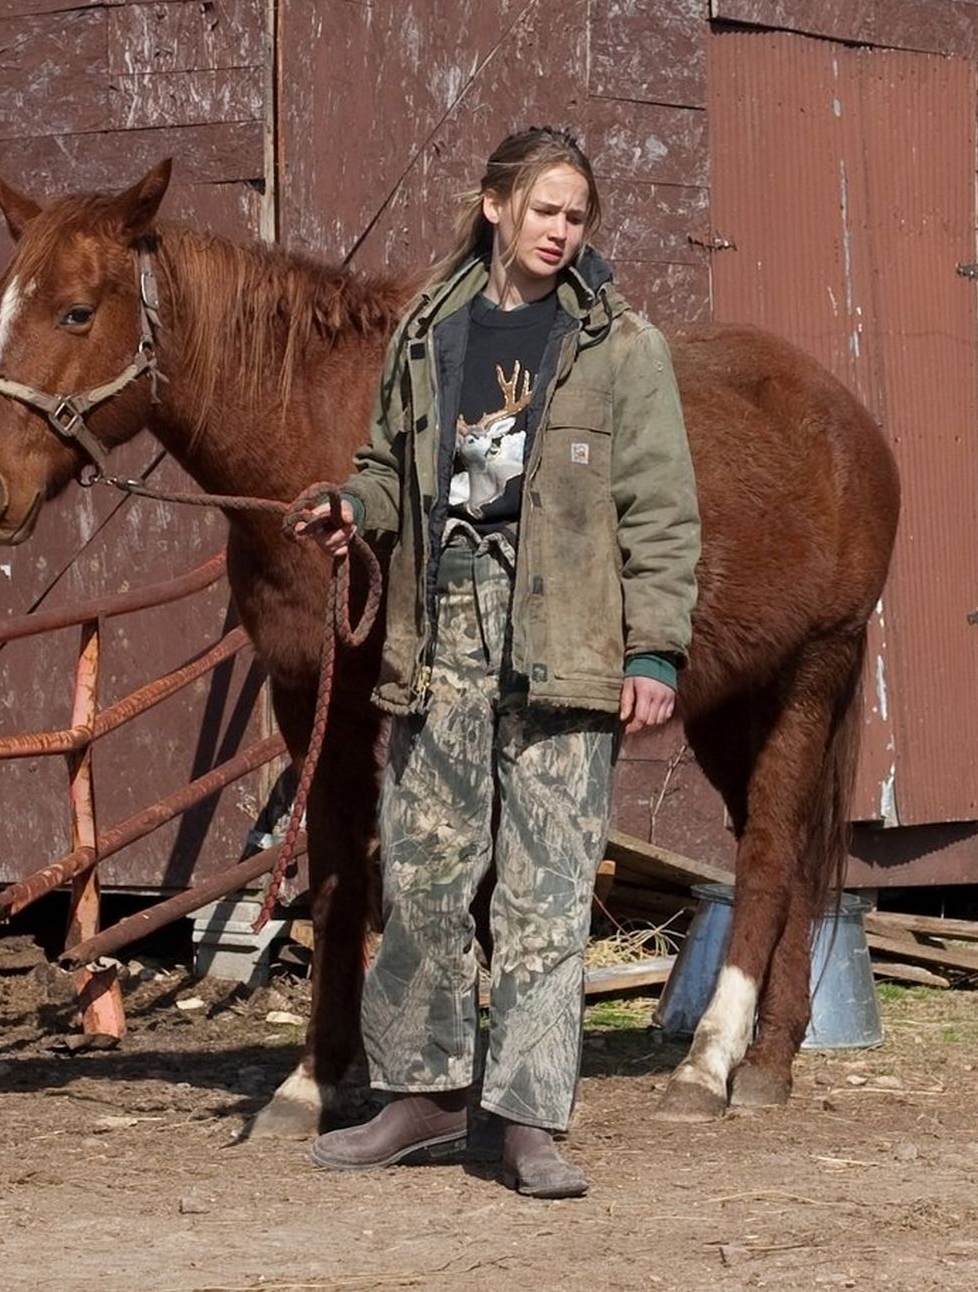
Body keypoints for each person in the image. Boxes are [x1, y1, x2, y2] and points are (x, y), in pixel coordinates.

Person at [290, 125, 700, 1199]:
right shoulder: (429, 328)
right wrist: (351, 509)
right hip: (439, 634)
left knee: (546, 891)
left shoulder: (621, 346)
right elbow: (385, 465)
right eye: (546, 209)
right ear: (493, 207)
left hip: (562, 638)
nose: (561, 231)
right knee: (424, 877)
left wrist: (652, 647)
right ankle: (423, 1097)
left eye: (577, 216)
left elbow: (659, 510)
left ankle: (523, 1116)